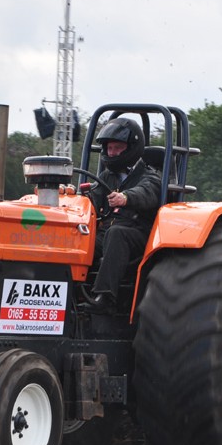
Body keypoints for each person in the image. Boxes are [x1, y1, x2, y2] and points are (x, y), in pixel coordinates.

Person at [81, 117, 161, 313]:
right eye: (109, 148)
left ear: (132, 148)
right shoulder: (106, 177)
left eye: (117, 148)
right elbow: (92, 199)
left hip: (138, 234)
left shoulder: (150, 177)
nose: (112, 152)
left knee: (116, 233)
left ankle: (105, 297)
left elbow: (146, 192)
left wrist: (126, 197)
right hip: (107, 233)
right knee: (80, 237)